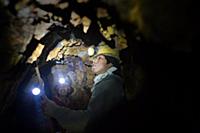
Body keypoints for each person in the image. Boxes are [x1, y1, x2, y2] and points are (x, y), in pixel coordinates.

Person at [41, 43, 125, 133]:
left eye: (100, 58)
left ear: (110, 63)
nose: (94, 61)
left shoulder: (109, 84)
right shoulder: (108, 82)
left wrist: (54, 110)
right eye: (94, 58)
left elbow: (89, 121)